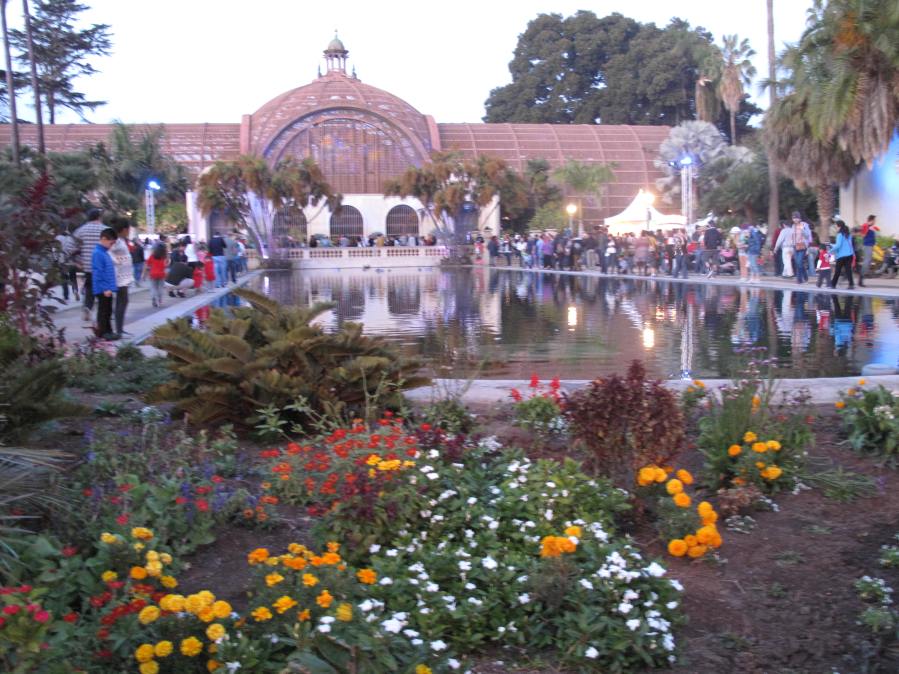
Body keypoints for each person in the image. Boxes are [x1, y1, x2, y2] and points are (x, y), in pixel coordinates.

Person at [73, 208, 106, 324]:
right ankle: (103, 313)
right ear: (99, 217)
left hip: (85, 267)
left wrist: (77, 261)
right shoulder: (105, 230)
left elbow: (70, 247)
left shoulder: (80, 231)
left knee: (89, 290)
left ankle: (87, 308)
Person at [92, 228, 119, 340]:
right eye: (111, 243)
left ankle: (108, 331)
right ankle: (103, 332)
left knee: (108, 310)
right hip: (103, 288)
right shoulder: (98, 253)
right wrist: (105, 288)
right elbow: (98, 272)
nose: (111, 246)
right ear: (103, 239)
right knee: (104, 311)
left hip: (107, 287)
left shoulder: (103, 253)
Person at [109, 219, 134, 337]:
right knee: (122, 301)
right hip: (119, 276)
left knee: (123, 301)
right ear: (124, 229)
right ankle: (119, 330)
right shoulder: (116, 241)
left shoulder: (120, 240)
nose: (129, 232)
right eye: (128, 229)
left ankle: (120, 329)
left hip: (123, 276)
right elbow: (109, 254)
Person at [55, 226, 80, 302]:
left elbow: (55, 250)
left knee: (64, 278)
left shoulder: (57, 238)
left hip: (62, 261)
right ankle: (75, 291)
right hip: (71, 261)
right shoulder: (72, 238)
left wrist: (56, 260)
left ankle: (66, 297)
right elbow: (77, 249)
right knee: (73, 277)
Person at [830, 220, 855, 289]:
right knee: (848, 270)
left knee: (837, 271)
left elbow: (838, 245)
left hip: (841, 256)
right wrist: (853, 254)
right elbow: (850, 245)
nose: (836, 228)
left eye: (836, 226)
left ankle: (833, 284)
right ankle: (851, 285)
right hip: (849, 255)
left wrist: (830, 251)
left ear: (839, 226)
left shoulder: (840, 235)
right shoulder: (848, 235)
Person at [790, 212, 812, 284]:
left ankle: (800, 280)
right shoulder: (793, 226)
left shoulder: (804, 225)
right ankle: (804, 279)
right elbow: (792, 237)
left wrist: (802, 230)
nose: (795, 219)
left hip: (803, 245)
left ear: (799, 218)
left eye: (796, 218)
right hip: (795, 246)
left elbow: (808, 236)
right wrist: (791, 246)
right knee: (798, 263)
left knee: (799, 262)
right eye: (794, 218)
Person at [144, 242, 168, 307]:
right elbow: (166, 264)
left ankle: (154, 299)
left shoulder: (152, 256)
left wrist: (144, 274)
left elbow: (147, 265)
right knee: (160, 288)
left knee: (153, 287)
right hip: (161, 274)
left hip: (153, 274)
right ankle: (159, 300)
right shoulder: (164, 256)